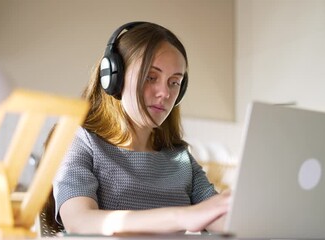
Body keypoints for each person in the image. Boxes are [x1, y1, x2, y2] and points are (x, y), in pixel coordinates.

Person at [52, 21, 229, 235]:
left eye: (174, 82)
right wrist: (182, 216)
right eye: (151, 77)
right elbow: (79, 222)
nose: (165, 93)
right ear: (114, 78)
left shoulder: (181, 159)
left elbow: (218, 219)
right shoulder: (80, 141)